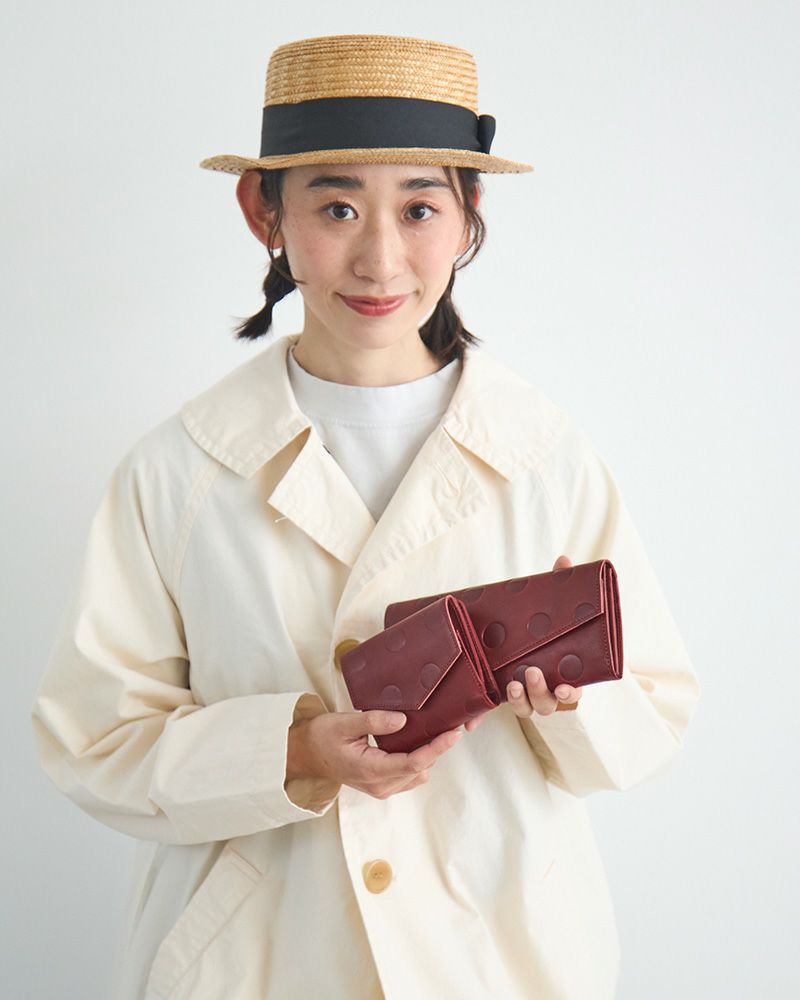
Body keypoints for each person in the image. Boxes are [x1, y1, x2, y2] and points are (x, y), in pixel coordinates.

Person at [30, 33, 701, 1000]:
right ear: (264, 211)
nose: (380, 259)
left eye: (420, 207)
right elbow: (92, 738)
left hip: (493, 958)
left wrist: (572, 699)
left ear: (469, 217)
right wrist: (291, 752)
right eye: (336, 206)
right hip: (258, 960)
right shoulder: (177, 471)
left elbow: (654, 714)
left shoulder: (546, 457)